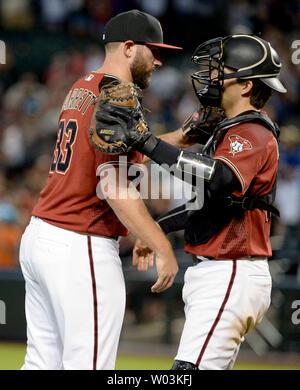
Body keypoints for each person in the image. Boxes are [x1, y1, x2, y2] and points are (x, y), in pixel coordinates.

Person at [18, 9, 185, 370]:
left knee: (42, 363)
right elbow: (114, 185)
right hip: (80, 244)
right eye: (152, 50)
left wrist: (178, 139)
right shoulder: (119, 96)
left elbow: (119, 160)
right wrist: (161, 244)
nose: (158, 60)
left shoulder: (84, 85)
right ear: (128, 47)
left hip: (42, 236)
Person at [118, 34, 287, 369]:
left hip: (231, 271)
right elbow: (208, 204)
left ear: (246, 86)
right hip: (222, 272)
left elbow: (217, 176)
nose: (211, 77)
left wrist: (146, 142)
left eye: (221, 70)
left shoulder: (251, 131)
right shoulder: (232, 130)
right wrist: (155, 230)